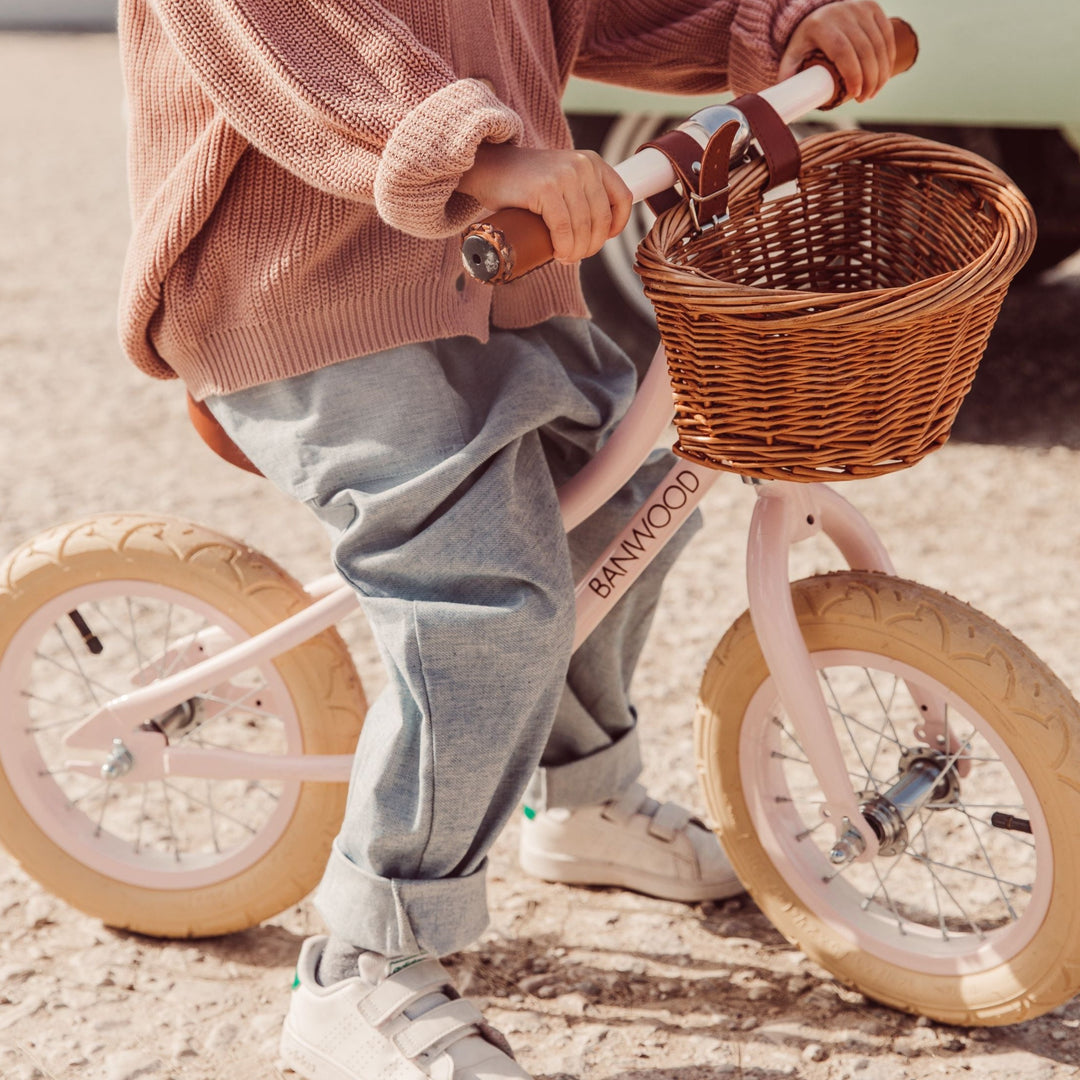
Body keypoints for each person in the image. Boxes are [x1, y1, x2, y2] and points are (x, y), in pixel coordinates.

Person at [117, 2, 896, 1077]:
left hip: (502, 263)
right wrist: (484, 158)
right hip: (305, 286)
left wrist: (771, 23)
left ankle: (580, 794)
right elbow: (293, 30)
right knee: (479, 595)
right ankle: (361, 959)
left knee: (632, 494)